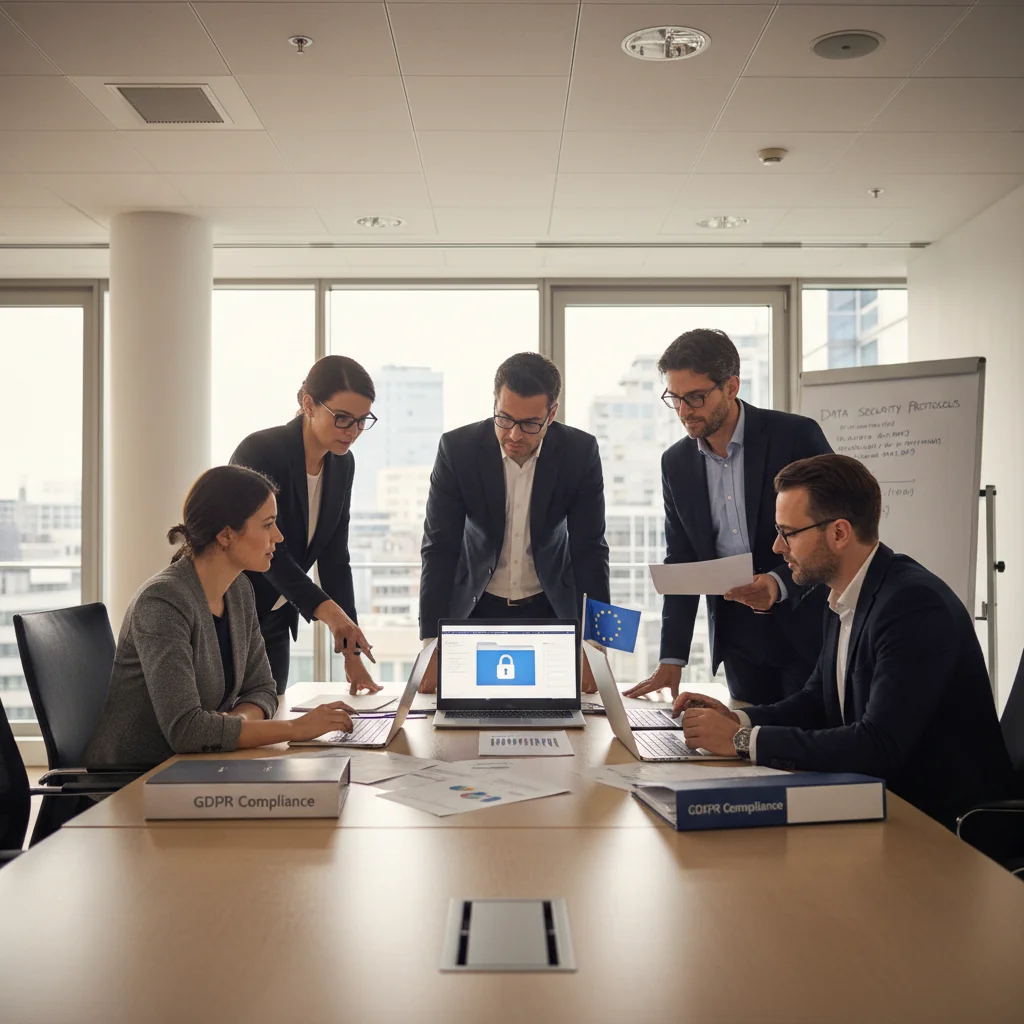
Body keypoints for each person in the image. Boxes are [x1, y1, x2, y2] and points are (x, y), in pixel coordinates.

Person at [673, 453, 1017, 829]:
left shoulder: (914, 607)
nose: (777, 547)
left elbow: (878, 745)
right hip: (879, 802)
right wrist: (736, 718)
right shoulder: (842, 593)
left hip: (942, 824)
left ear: (839, 533)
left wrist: (742, 741)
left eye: (788, 532)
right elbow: (817, 701)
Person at [86, 466, 356, 768]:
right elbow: (187, 731)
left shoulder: (239, 589)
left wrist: (230, 725)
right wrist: (296, 728)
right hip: (139, 781)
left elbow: (263, 689)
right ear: (226, 535)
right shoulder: (163, 601)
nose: (278, 536)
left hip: (205, 764)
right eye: (267, 525)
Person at [625, 328, 832, 706]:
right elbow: (683, 561)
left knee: (806, 742)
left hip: (807, 626)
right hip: (739, 638)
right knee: (747, 745)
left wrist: (778, 583)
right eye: (675, 398)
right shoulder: (676, 463)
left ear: (731, 386)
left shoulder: (795, 436)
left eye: (696, 397)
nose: (685, 411)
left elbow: (832, 527)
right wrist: (672, 658)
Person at [417, 352, 610, 693]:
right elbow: (439, 549)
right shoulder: (457, 449)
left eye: (530, 424)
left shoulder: (579, 452)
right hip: (476, 606)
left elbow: (590, 550)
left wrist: (595, 646)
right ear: (495, 402)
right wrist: (431, 643)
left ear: (552, 414)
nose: (515, 435)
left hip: (550, 608)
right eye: (504, 419)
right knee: (466, 720)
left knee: (557, 719)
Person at [231, 355, 380, 696]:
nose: (353, 432)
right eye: (343, 418)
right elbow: (267, 549)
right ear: (307, 403)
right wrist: (330, 614)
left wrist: (351, 649)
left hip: (277, 617)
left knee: (272, 717)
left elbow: (334, 558)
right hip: (233, 614)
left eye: (361, 420)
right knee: (238, 728)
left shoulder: (343, 465)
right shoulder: (261, 451)